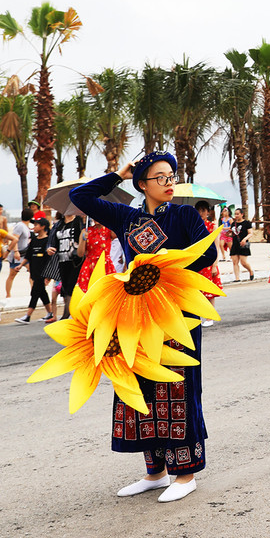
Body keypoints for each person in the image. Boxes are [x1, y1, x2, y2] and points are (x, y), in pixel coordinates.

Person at [69, 151, 217, 502]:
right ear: (142, 184)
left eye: (172, 176)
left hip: (177, 313)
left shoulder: (184, 214)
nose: (169, 183)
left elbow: (208, 254)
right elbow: (81, 196)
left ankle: (185, 473)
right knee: (141, 389)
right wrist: (117, 175)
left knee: (179, 388)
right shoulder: (126, 217)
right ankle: (156, 472)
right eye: (160, 177)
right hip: (135, 316)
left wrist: (166, 262)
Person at [13, 217, 52, 323]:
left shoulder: (48, 241)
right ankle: (50, 313)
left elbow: (50, 259)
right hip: (34, 270)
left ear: (43, 227)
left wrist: (49, 276)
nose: (33, 227)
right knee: (41, 292)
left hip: (43, 271)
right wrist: (21, 265)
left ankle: (27, 316)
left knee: (35, 292)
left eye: (36, 225)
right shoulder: (34, 239)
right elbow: (28, 255)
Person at [46, 210, 83, 319]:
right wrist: (49, 249)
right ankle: (70, 315)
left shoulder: (79, 221)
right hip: (62, 260)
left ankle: (65, 316)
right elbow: (51, 241)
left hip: (75, 261)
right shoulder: (58, 225)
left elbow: (84, 239)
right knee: (65, 289)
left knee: (71, 288)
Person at [193, 201, 224, 326]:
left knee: (208, 292)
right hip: (196, 260)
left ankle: (209, 318)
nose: (201, 213)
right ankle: (198, 317)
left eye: (203, 210)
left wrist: (215, 265)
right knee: (196, 291)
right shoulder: (193, 225)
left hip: (208, 261)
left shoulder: (212, 226)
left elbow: (216, 246)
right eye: (199, 210)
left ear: (208, 212)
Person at [76, 217, 114, 294]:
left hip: (105, 265)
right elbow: (80, 254)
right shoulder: (85, 231)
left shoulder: (109, 230)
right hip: (90, 266)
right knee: (89, 293)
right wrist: (83, 240)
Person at [4, 207, 32, 299]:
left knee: (32, 272)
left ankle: (34, 292)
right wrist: (16, 251)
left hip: (25, 254)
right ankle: (8, 295)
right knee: (12, 275)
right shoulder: (20, 226)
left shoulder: (26, 226)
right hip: (17, 255)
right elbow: (15, 239)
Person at [229, 208, 253, 281]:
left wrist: (245, 239)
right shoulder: (233, 224)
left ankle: (250, 271)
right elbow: (233, 234)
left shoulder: (247, 223)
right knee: (235, 262)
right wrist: (228, 234)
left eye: (237, 214)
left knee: (243, 262)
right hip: (235, 244)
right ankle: (237, 278)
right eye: (235, 214)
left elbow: (250, 233)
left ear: (242, 214)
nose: (236, 215)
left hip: (243, 244)